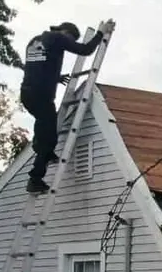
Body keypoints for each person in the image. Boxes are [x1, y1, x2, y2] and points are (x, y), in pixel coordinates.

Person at [20, 22, 106, 193]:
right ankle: (35, 179)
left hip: (28, 94)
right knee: (49, 138)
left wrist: (55, 77)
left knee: (43, 126)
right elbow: (86, 50)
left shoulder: (36, 40)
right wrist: (100, 35)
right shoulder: (58, 38)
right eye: (71, 39)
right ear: (67, 33)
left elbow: (38, 66)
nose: (69, 43)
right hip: (42, 97)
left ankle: (45, 151)